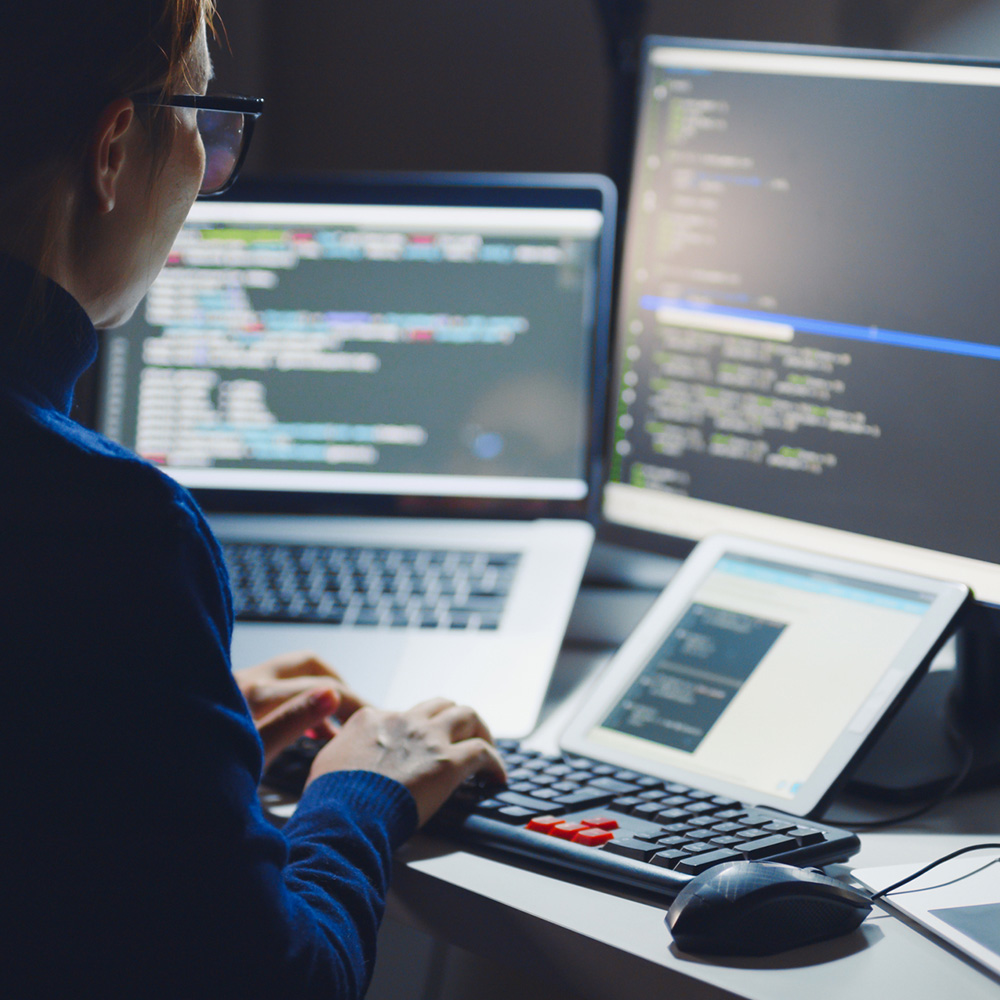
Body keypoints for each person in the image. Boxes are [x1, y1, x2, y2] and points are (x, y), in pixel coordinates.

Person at [0, 3, 505, 997]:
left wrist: (171, 735)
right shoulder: (105, 526)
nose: (205, 172)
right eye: (200, 121)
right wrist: (364, 789)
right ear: (111, 148)